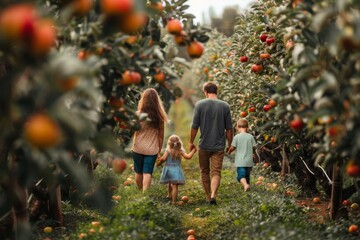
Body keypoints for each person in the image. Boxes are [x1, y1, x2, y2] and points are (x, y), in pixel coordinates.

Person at [190, 82, 233, 205]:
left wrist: (191, 142)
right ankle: (214, 194)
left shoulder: (200, 104)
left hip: (204, 145)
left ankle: (208, 196)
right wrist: (230, 144)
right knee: (216, 172)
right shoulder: (225, 106)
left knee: (204, 171)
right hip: (219, 146)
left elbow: (194, 126)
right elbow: (229, 129)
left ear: (205, 92)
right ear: (216, 91)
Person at [132, 88, 167, 192]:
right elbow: (161, 136)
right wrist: (159, 150)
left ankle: (139, 191)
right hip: (151, 149)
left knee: (138, 172)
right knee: (147, 172)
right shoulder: (159, 117)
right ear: (157, 101)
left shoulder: (138, 114)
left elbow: (133, 129)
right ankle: (144, 194)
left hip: (138, 147)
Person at [157, 135, 197, 205]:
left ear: (169, 143)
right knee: (175, 186)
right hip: (176, 170)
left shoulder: (168, 150)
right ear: (179, 143)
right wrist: (193, 151)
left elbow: (163, 159)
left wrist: (159, 161)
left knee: (169, 182)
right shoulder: (180, 150)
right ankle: (174, 201)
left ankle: (169, 194)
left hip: (168, 169)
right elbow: (188, 157)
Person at [227, 118, 257, 192]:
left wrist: (229, 151)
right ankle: (247, 186)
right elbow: (254, 147)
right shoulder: (250, 137)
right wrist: (254, 154)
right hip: (249, 160)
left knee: (240, 176)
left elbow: (233, 147)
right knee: (247, 175)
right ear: (247, 127)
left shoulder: (237, 137)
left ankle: (245, 185)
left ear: (237, 128)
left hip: (240, 161)